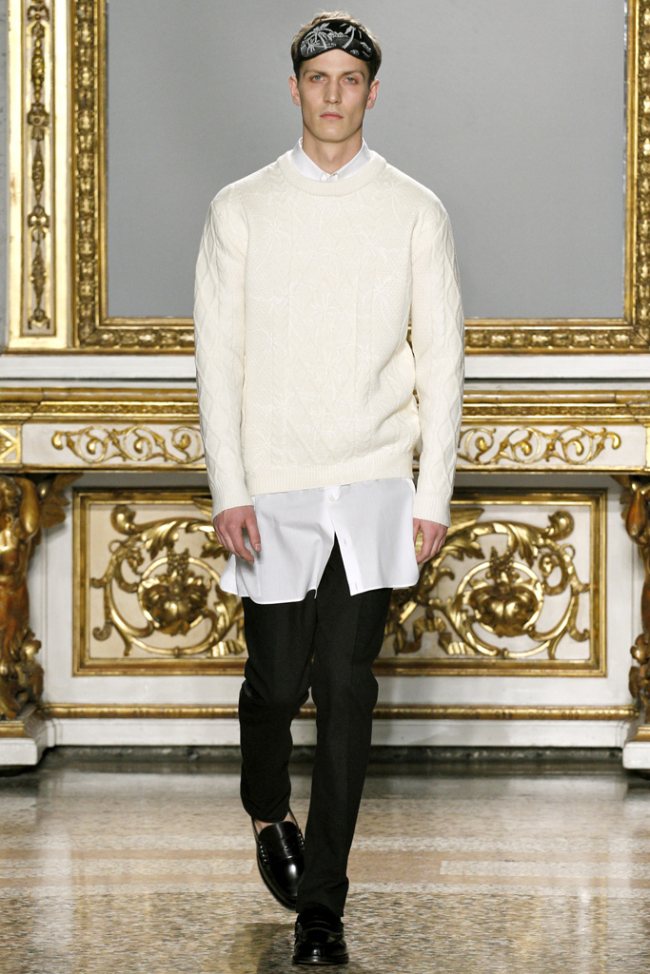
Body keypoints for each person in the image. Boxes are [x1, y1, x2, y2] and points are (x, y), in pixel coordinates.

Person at [193, 10, 464, 966]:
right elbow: (218, 360)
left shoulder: (415, 210)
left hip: (374, 482)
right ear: (296, 89)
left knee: (347, 690)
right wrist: (230, 487)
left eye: (351, 79)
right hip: (273, 485)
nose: (335, 94)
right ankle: (267, 807)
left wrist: (431, 495)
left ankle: (323, 906)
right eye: (320, 79)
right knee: (274, 687)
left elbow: (443, 363)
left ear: (373, 93)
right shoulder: (242, 208)